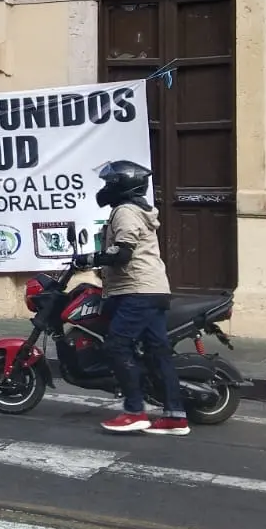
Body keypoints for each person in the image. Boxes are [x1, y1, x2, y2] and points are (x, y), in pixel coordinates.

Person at [78, 160, 188, 437]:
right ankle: (175, 416)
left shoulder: (125, 211)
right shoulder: (138, 210)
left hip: (136, 291)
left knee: (117, 346)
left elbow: (122, 253)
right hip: (153, 290)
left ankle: (134, 411)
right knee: (157, 353)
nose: (105, 188)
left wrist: (89, 259)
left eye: (109, 183)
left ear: (123, 186)